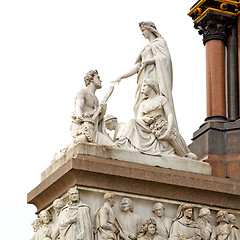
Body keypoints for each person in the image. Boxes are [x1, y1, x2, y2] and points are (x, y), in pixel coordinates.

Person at [112, 21, 177, 132]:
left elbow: (165, 60)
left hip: (154, 76)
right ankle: (143, 130)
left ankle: (158, 128)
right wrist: (122, 76)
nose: (142, 33)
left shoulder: (160, 42)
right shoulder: (145, 48)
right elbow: (138, 66)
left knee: (157, 102)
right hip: (143, 78)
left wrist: (149, 61)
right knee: (138, 105)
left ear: (150, 29)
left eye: (143, 30)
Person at [116, 78, 196, 158]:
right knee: (132, 121)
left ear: (152, 86)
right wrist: (145, 118)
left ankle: (183, 155)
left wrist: (169, 129)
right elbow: (139, 117)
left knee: (171, 138)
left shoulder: (161, 99)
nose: (142, 88)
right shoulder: (143, 104)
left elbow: (169, 114)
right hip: (148, 126)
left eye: (144, 86)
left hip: (160, 125)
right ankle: (121, 142)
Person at [70, 70, 113, 145]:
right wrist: (79, 114)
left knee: (112, 146)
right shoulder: (83, 92)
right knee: (82, 141)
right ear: (91, 79)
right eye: (98, 77)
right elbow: (78, 107)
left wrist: (102, 112)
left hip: (93, 130)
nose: (100, 80)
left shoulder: (96, 99)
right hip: (82, 128)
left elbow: (96, 120)